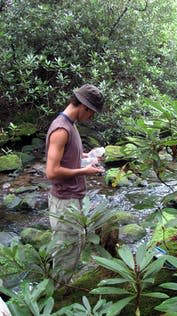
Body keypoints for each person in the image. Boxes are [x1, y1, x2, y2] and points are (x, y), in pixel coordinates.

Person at [45, 84, 104, 286]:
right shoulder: (61, 129)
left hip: (72, 198)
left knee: (73, 246)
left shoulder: (71, 125)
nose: (92, 118)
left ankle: (62, 288)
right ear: (84, 107)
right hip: (64, 201)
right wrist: (84, 171)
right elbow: (51, 172)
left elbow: (68, 157)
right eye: (92, 113)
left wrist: (87, 156)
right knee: (65, 250)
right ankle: (58, 295)